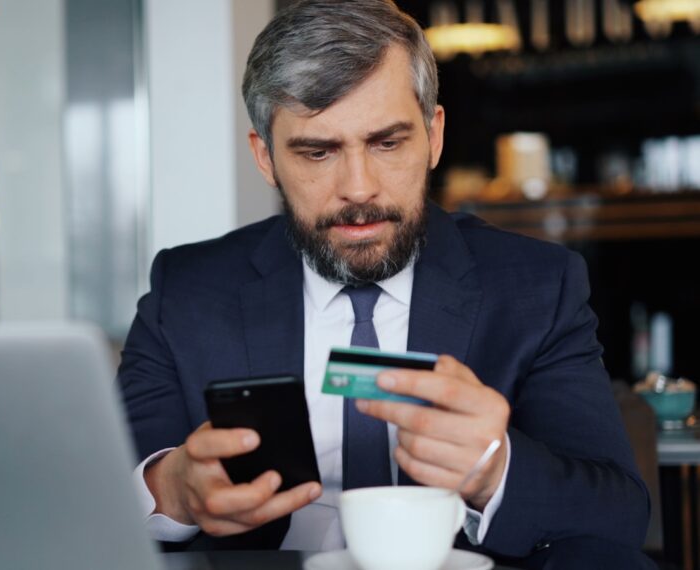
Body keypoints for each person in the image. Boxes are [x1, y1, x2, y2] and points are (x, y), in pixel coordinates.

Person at [118, 0, 652, 567]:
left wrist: (495, 469)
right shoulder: (188, 290)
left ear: (434, 137)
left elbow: (616, 517)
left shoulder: (538, 288)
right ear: (266, 157)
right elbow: (95, 487)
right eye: (318, 152)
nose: (359, 188)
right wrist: (172, 489)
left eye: (387, 143)